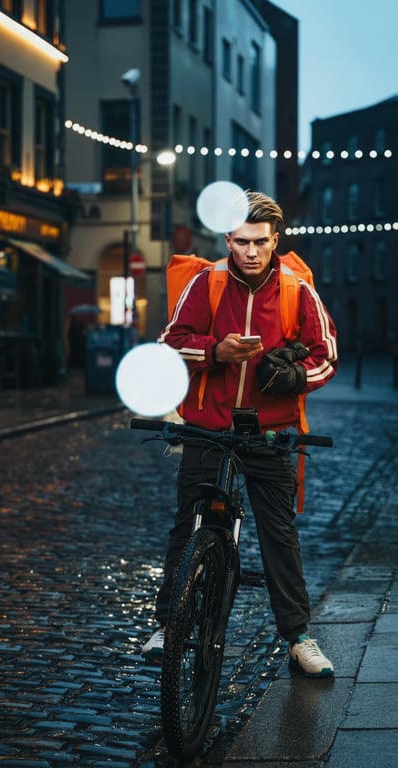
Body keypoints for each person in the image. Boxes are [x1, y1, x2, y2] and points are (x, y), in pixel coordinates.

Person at [142, 191, 338, 677]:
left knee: (279, 536)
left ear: (275, 241)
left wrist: (296, 376)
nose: (250, 252)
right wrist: (216, 352)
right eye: (241, 242)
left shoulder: (296, 289)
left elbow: (327, 353)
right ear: (227, 239)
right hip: (209, 428)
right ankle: (168, 625)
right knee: (187, 523)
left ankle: (298, 637)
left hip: (270, 434)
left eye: (260, 242)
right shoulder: (206, 283)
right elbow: (169, 344)